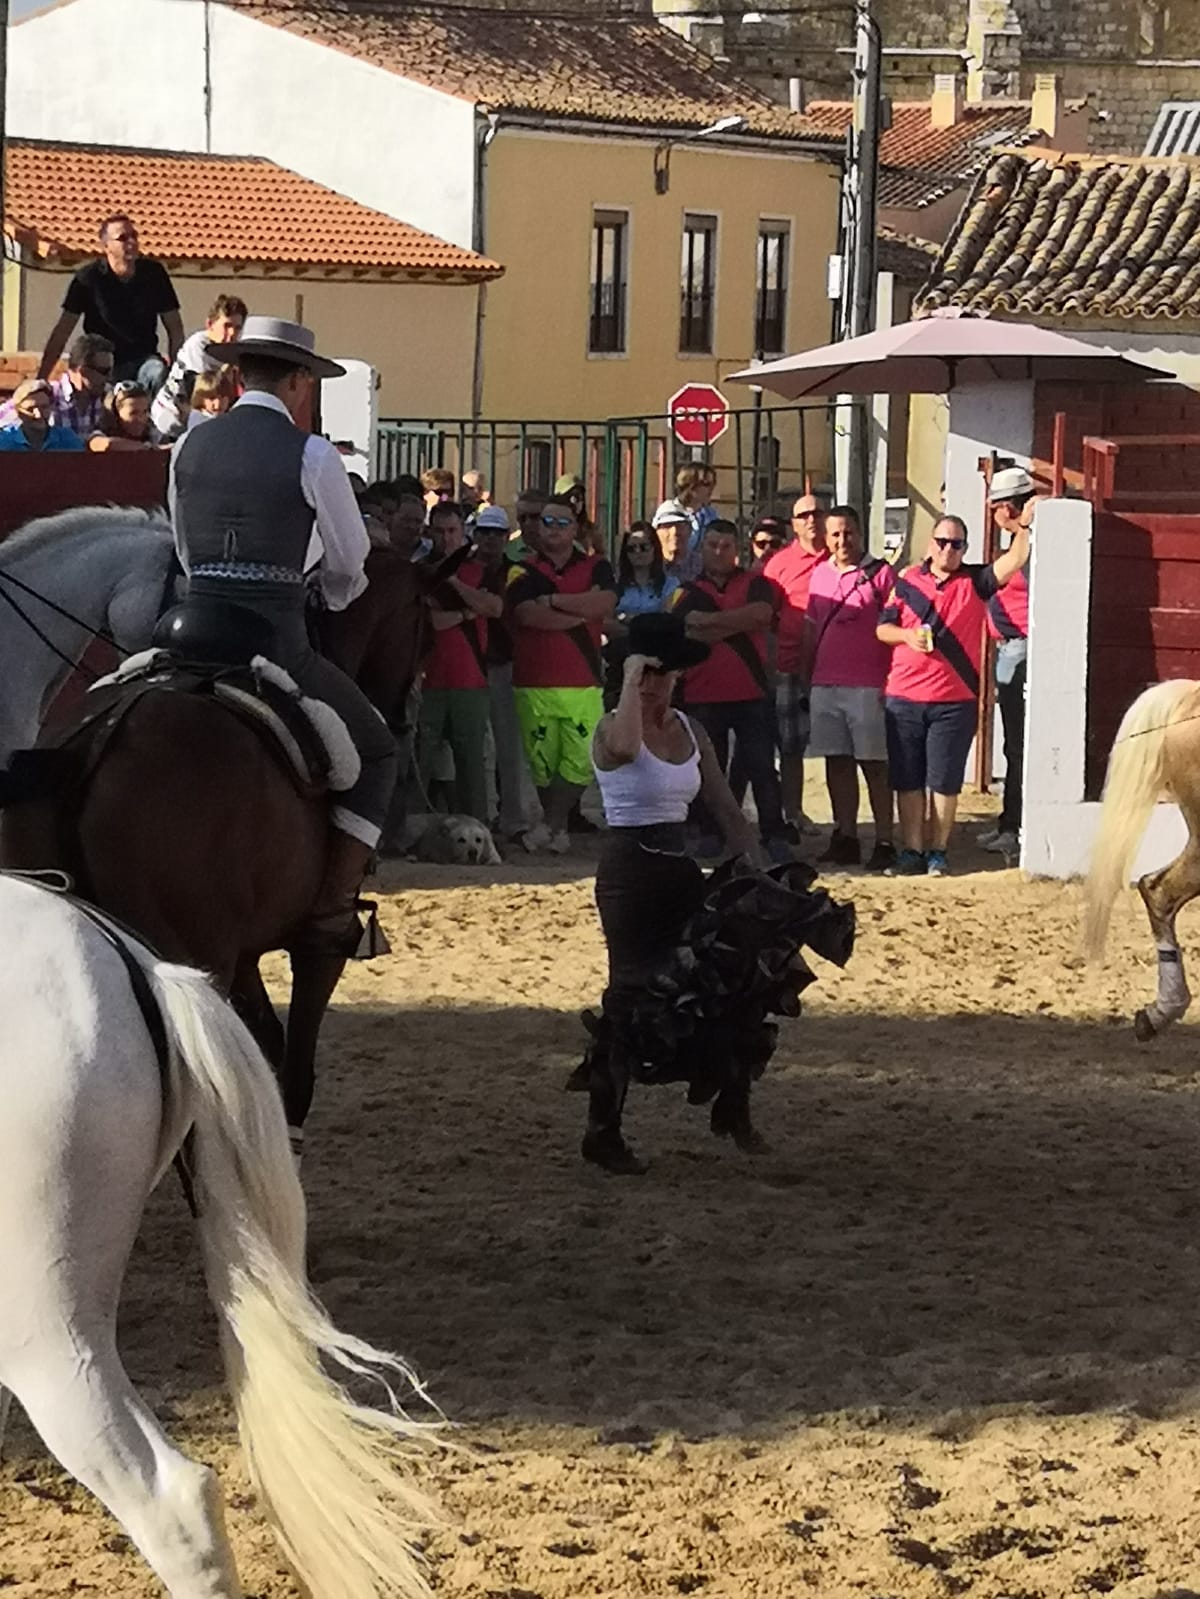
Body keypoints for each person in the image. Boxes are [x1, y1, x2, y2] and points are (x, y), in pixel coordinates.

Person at [577, 610, 855, 1175]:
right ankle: (603, 1132)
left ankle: (734, 1107)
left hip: (679, 868)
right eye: (645, 670)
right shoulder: (612, 727)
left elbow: (726, 808)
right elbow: (628, 748)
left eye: (661, 670)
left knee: (738, 975)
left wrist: (753, 872)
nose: (655, 680)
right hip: (629, 877)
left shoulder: (689, 729)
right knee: (632, 1000)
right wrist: (630, 679)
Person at [169, 315, 398, 957]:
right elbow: (350, 559)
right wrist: (335, 593)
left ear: (238, 375)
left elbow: (185, 550)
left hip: (191, 627)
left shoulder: (190, 444)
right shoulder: (313, 452)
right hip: (273, 639)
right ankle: (331, 909)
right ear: (300, 381)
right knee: (377, 754)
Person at [876, 512, 1031, 876]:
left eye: (956, 543)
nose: (948, 549)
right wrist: (907, 637)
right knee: (908, 780)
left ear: (965, 548)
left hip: (953, 699)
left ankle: (937, 851)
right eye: (942, 542)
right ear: (931, 545)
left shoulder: (976, 581)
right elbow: (883, 628)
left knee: (944, 781)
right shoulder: (907, 582)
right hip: (904, 695)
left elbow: (1015, 560)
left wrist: (1023, 525)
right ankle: (912, 850)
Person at [674, 519, 791, 864]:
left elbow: (760, 615)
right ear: (702, 549)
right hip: (702, 692)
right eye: (712, 545)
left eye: (726, 546)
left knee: (762, 768)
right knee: (708, 771)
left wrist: (710, 623)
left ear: (736, 550)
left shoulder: (759, 584)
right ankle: (711, 832)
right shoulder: (686, 589)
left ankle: (773, 832)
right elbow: (687, 628)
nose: (719, 552)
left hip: (751, 691)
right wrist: (734, 622)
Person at [507, 495, 617, 852]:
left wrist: (554, 601)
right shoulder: (521, 569)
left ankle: (552, 824)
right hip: (533, 680)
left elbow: (605, 603)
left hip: (583, 680)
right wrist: (582, 612)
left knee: (581, 760)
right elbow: (526, 615)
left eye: (561, 522)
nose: (552, 529)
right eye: (546, 522)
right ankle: (556, 829)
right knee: (542, 763)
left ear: (575, 529)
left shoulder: (598, 566)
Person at [800, 506, 895, 872]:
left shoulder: (882, 574)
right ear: (826, 537)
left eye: (849, 533)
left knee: (874, 765)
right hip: (826, 684)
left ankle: (885, 839)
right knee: (836, 763)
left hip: (868, 686)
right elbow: (811, 630)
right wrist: (809, 678)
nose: (843, 541)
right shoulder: (819, 575)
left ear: (860, 533)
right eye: (836, 534)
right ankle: (846, 836)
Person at [417, 502, 502, 824]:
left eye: (452, 531)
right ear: (430, 532)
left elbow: (493, 607)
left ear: (462, 532)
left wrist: (452, 582)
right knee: (421, 760)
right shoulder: (420, 570)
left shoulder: (480, 569)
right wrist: (466, 613)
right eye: (439, 531)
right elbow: (426, 621)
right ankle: (415, 828)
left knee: (471, 764)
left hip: (470, 680)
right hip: (428, 679)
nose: (446, 538)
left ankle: (476, 824)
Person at [39, 215, 182, 388]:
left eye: (134, 236)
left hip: (145, 361)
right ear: (106, 246)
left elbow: (174, 327)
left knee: (158, 372)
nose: (131, 242)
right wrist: (41, 378)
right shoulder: (88, 279)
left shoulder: (154, 274)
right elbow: (63, 331)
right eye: (123, 238)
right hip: (103, 365)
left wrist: (176, 374)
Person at [473, 505, 542, 842]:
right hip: (469, 664)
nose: (489, 539)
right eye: (483, 532)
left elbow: (497, 608)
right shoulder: (466, 569)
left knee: (508, 747)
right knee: (475, 748)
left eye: (495, 534)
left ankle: (513, 817)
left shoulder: (518, 573)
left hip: (504, 664)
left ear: (505, 537)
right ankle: (480, 816)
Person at [763, 492, 829, 836]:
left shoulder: (840, 557)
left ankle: (845, 823)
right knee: (790, 745)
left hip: (835, 669)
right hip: (789, 666)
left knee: (838, 749)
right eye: (803, 515)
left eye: (817, 513)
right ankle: (792, 812)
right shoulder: (779, 564)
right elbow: (767, 617)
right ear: (793, 524)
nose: (811, 520)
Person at [980, 466, 1037, 858]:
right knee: (1014, 744)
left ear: (1006, 508)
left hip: (1018, 648)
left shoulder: (1026, 541)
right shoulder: (1026, 538)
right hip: (1010, 648)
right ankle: (1009, 822)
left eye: (996, 508)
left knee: (1017, 744)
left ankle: (1014, 825)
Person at [151, 294, 248, 441]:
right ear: (210, 324)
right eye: (227, 326)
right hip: (170, 419)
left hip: (197, 421)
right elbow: (204, 391)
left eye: (237, 328)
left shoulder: (231, 350)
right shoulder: (198, 347)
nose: (233, 333)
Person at [604, 523, 680, 707]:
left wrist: (626, 619)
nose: (638, 552)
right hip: (619, 664)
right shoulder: (614, 585)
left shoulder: (671, 584)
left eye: (644, 547)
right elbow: (605, 623)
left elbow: (667, 622)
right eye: (632, 548)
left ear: (655, 548)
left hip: (658, 662)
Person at [0, 332, 113, 437]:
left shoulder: (104, 401)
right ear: (83, 371)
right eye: (105, 371)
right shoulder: (45, 395)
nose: (109, 377)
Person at [0, 378, 86, 452]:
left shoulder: (67, 440)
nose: (38, 415)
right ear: (18, 411)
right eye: (30, 409)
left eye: (44, 407)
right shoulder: (4, 441)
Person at [88, 380, 158, 451]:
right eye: (133, 413)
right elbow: (107, 445)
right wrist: (147, 448)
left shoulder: (153, 434)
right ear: (116, 413)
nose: (140, 418)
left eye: (145, 412)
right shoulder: (101, 432)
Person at [676, 462, 719, 566]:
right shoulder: (672, 512)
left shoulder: (711, 514)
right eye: (707, 484)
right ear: (691, 485)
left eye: (713, 483)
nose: (711, 489)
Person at [652, 498, 699, 583]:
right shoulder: (646, 565)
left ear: (690, 530)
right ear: (656, 532)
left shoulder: (702, 567)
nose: (674, 532)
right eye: (667, 526)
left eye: (680, 526)